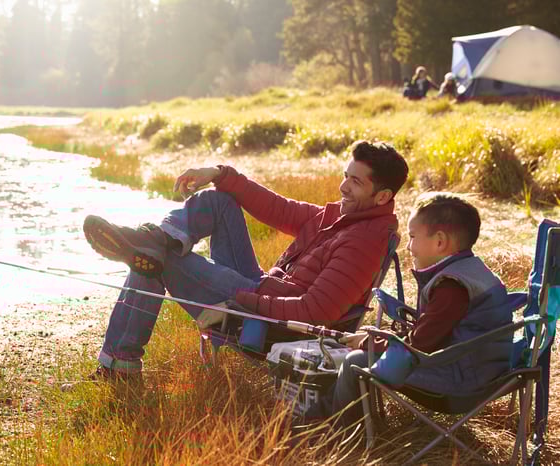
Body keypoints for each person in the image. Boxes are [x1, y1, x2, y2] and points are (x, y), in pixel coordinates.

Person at [82, 140, 409, 381]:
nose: (343, 187)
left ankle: (119, 363)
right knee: (218, 201)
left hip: (272, 323)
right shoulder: (340, 217)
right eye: (345, 175)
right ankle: (156, 239)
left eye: (355, 182)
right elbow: (277, 208)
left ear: (382, 197)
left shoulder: (365, 240)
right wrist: (218, 173)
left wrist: (242, 300)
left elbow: (316, 313)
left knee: (158, 259)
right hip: (265, 288)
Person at [332, 193, 511, 429]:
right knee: (365, 354)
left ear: (439, 242)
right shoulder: (470, 270)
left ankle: (343, 435)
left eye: (413, 237)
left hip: (460, 383)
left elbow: (419, 346)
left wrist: (368, 342)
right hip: (481, 371)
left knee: (354, 361)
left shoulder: (451, 285)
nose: (409, 246)